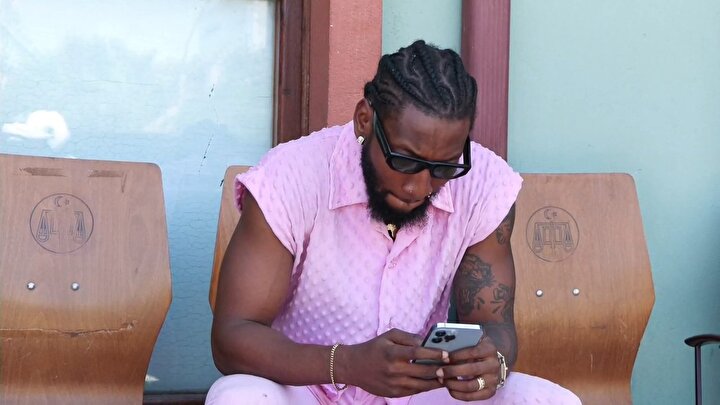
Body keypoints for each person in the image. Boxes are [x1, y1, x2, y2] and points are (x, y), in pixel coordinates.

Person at [207, 40, 580, 404]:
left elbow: (494, 325)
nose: (418, 187)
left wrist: (491, 361)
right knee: (238, 398)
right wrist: (347, 364)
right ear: (365, 120)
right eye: (403, 160)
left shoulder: (485, 186)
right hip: (305, 389)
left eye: (443, 168)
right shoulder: (290, 178)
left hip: (418, 391)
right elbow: (232, 337)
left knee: (549, 400)